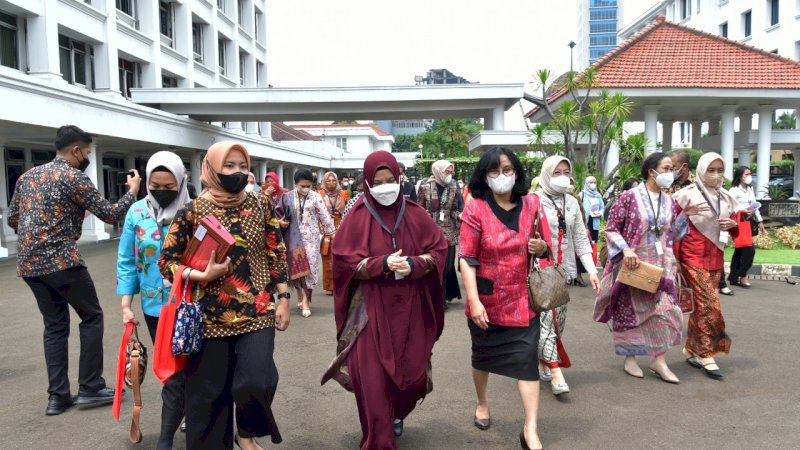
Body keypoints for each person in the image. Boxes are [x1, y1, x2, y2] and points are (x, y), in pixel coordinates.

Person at [159, 141, 290, 449]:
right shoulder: (192, 211)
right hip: (208, 315)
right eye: (229, 166)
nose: (238, 172)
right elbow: (167, 262)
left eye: (243, 166)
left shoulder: (261, 204)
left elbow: (276, 250)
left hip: (257, 309)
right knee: (209, 396)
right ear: (212, 168)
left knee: (257, 380)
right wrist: (201, 275)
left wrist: (283, 298)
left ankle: (245, 432)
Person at [7, 125, 140, 415]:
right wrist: (131, 192)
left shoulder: (27, 176)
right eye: (88, 152)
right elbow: (111, 213)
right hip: (63, 261)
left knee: (54, 326)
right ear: (77, 151)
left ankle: (57, 397)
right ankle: (91, 387)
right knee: (91, 316)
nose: (88, 158)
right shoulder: (73, 176)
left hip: (29, 265)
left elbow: (13, 219)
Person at [321, 151, 448, 450]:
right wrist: (382, 264)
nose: (385, 187)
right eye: (377, 182)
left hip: (410, 308)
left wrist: (415, 264)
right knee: (374, 381)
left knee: (412, 377)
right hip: (370, 310)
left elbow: (439, 250)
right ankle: (378, 440)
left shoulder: (416, 213)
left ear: (400, 178)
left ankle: (396, 411)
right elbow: (342, 262)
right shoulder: (357, 216)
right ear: (366, 183)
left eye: (391, 180)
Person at [459, 147, 547, 450]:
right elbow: (467, 258)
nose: (501, 176)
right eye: (494, 171)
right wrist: (474, 300)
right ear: (484, 176)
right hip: (487, 299)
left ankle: (530, 430)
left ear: (517, 172)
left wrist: (541, 249)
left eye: (507, 170)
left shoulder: (533, 204)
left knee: (526, 362)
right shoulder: (475, 208)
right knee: (482, 358)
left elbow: (545, 245)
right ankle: (482, 402)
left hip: (523, 300)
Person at [593, 152, 705, 384]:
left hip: (663, 265)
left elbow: (672, 232)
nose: (670, 173)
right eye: (665, 168)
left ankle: (658, 359)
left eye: (671, 169)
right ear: (651, 171)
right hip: (634, 265)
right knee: (630, 312)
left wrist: (686, 217)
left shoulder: (669, 201)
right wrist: (626, 250)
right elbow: (612, 228)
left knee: (667, 311)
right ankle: (630, 358)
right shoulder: (628, 197)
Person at [117, 151, 189, 449]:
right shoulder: (136, 213)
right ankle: (178, 415)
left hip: (188, 305)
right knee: (170, 368)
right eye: (155, 184)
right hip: (152, 306)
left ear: (181, 182)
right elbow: (126, 260)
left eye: (169, 185)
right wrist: (125, 303)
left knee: (182, 369)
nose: (161, 190)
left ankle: (168, 437)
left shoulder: (194, 211)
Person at [534, 156, 600, 396]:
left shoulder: (571, 202)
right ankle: (555, 370)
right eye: (557, 172)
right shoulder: (532, 201)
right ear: (546, 173)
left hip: (565, 271)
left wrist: (591, 271)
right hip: (540, 271)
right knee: (548, 321)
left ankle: (542, 359)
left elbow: (581, 238)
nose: (563, 176)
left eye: (566, 171)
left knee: (558, 322)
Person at [673, 152, 739, 380]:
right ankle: (706, 353)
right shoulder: (685, 195)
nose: (716, 175)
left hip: (716, 257)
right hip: (692, 256)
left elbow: (736, 226)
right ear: (701, 170)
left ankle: (692, 349)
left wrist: (733, 223)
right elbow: (672, 228)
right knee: (710, 305)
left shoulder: (727, 197)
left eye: (720, 170)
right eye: (711, 170)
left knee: (702, 306)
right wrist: (675, 261)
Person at [277, 169, 335, 317]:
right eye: (302, 185)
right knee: (296, 270)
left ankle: (305, 302)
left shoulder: (315, 197)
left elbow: (325, 216)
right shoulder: (287, 197)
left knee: (308, 269)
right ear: (295, 184)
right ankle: (299, 294)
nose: (305, 188)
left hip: (311, 239)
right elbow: (278, 214)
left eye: (308, 185)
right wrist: (280, 222)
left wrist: (332, 232)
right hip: (292, 238)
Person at [418, 160, 464, 308]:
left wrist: (461, 216)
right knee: (434, 266)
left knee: (447, 267)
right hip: (430, 233)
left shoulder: (453, 188)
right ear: (438, 171)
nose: (450, 175)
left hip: (448, 233)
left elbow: (454, 209)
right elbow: (419, 208)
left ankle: (442, 297)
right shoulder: (426, 187)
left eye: (451, 172)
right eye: (447, 172)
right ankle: (436, 299)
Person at [728, 166, 766, 288]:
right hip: (738, 223)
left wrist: (760, 221)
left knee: (740, 250)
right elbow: (729, 206)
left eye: (750, 173)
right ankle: (743, 276)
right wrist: (741, 210)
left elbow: (755, 206)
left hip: (749, 222)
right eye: (746, 174)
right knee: (749, 250)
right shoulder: (734, 190)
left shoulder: (750, 189)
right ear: (740, 176)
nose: (749, 176)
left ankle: (733, 277)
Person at [318, 172, 350, 295]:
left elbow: (349, 210)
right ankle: (329, 286)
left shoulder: (344, 194)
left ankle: (341, 284)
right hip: (325, 229)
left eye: (333, 180)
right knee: (327, 259)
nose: (331, 183)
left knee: (341, 257)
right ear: (324, 182)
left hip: (341, 228)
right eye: (328, 181)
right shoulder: (319, 195)